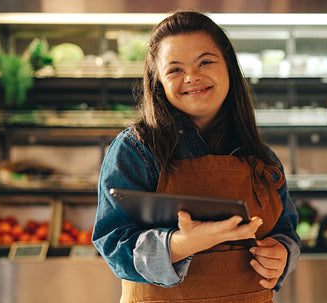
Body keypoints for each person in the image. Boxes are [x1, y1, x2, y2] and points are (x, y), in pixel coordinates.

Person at [92, 10, 301, 303]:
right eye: (175, 69)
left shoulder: (259, 155)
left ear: (229, 65)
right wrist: (180, 244)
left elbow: (285, 229)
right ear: (158, 82)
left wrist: (282, 253)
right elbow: (112, 242)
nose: (192, 77)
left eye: (205, 62)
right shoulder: (135, 149)